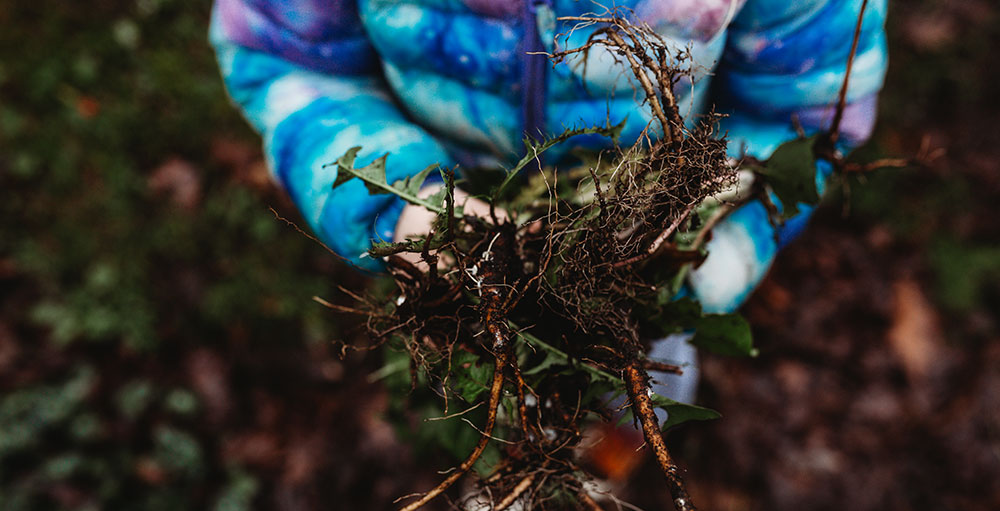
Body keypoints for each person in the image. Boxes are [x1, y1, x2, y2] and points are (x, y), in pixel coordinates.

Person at [210, 0, 887, 404]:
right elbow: (288, 60)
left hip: (645, 245)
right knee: (481, 384)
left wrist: (699, 263)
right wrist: (404, 208)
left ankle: (629, 439)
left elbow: (804, 113)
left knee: (638, 380)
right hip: (457, 235)